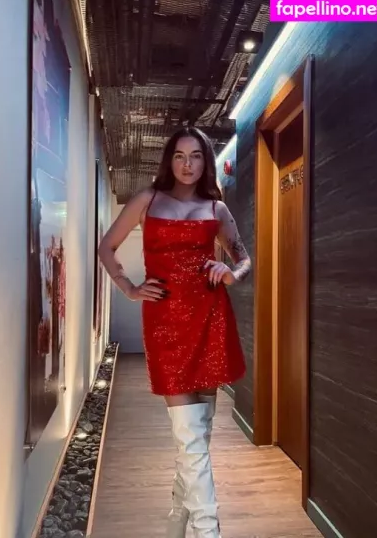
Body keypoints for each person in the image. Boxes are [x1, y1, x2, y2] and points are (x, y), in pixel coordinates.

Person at [98, 126, 251, 538]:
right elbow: (106, 246)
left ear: (206, 162)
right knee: (190, 434)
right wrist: (129, 288)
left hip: (210, 318)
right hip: (165, 323)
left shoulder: (216, 208)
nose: (187, 164)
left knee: (196, 436)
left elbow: (243, 257)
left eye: (196, 156)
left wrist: (231, 272)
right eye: (180, 156)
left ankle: (177, 519)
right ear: (169, 160)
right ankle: (208, 530)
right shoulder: (147, 200)